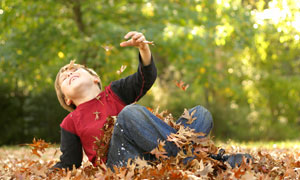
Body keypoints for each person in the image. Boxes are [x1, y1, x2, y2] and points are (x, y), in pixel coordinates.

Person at [52, 31, 251, 171]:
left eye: (74, 70)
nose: (69, 73)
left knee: (200, 113)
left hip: (154, 155)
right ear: (67, 98)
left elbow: (144, 78)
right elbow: (69, 163)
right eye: (64, 78)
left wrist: (144, 51)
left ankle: (184, 161)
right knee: (129, 113)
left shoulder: (114, 92)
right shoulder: (71, 122)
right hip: (123, 165)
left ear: (94, 78)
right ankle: (200, 160)